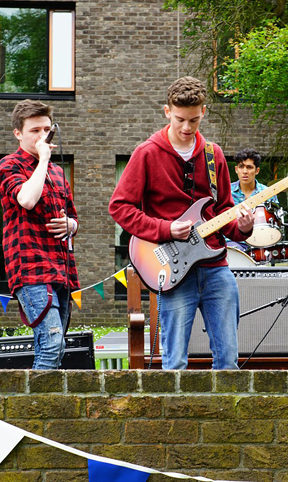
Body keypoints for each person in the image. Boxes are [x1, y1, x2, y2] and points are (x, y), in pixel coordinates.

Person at [109, 76, 254, 370]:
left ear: (204, 112)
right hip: (171, 269)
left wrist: (243, 227)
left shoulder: (214, 156)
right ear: (166, 112)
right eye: (179, 120)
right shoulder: (146, 153)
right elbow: (120, 207)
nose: (186, 128)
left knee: (228, 360)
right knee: (174, 363)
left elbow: (223, 210)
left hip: (215, 268)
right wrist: (165, 229)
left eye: (193, 120)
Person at [0, 99, 80, 369]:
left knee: (57, 344)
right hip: (30, 268)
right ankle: (34, 406)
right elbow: (27, 200)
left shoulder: (57, 172)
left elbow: (73, 217)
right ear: (18, 133)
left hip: (61, 267)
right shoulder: (9, 165)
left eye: (46, 129)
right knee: (52, 342)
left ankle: (44, 402)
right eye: (34, 131)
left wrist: (71, 226)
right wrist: (43, 159)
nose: (43, 136)